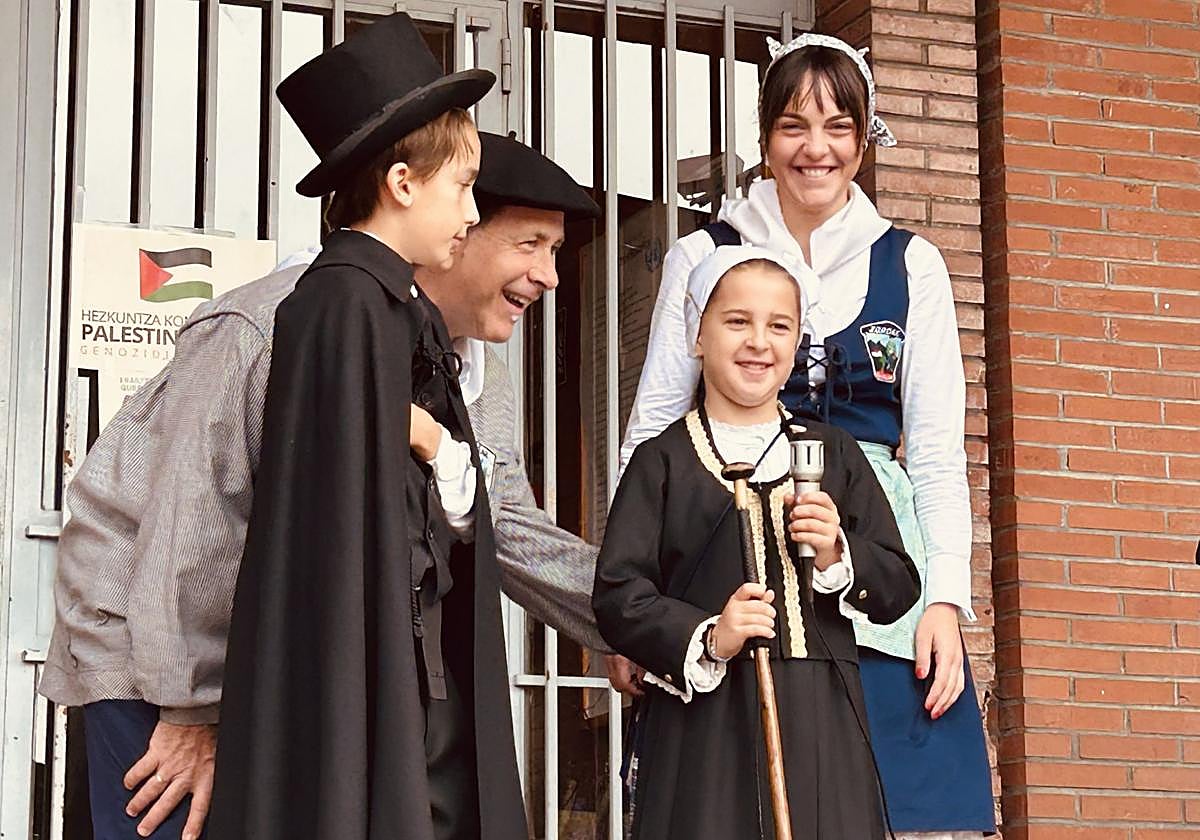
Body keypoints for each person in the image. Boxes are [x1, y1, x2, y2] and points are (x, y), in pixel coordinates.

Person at [621, 32, 995, 839]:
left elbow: (934, 454)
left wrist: (944, 601)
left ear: (865, 139)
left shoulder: (912, 264)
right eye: (794, 125)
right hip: (731, 558)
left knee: (916, 810)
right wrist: (628, 614)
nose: (815, 149)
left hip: (876, 568)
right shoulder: (703, 255)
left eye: (838, 127)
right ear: (764, 138)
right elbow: (651, 432)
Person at [593, 245, 920, 838]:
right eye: (736, 321)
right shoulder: (660, 460)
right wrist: (710, 634)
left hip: (823, 714)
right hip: (703, 722)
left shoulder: (834, 453)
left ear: (797, 345)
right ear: (696, 335)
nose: (758, 342)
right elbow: (618, 594)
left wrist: (837, 554)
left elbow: (898, 584)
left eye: (778, 326)